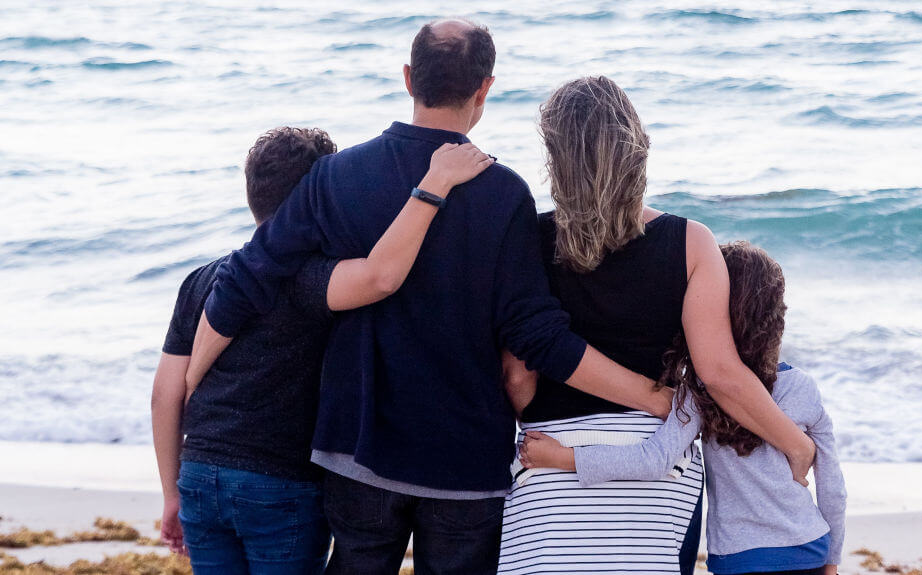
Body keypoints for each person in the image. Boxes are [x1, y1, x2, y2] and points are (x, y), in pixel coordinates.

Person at [183, 19, 674, 575]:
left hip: (356, 450)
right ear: (485, 87)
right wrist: (650, 395)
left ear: (409, 77)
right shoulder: (504, 193)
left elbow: (249, 274)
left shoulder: (336, 176)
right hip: (463, 461)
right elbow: (537, 337)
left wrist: (193, 374)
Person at [496, 77, 817, 575]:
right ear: (636, 149)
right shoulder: (690, 241)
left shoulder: (528, 240)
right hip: (659, 466)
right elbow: (719, 374)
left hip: (551, 463)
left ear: (555, 157)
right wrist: (796, 445)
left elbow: (518, 379)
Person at [151, 126, 493, 574]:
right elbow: (379, 276)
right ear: (320, 196)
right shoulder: (309, 280)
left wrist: (171, 493)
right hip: (280, 483)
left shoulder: (202, 280)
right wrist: (433, 186)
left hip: (199, 475)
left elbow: (164, 394)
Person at [521, 242, 847, 575]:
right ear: (776, 314)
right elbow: (832, 488)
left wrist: (563, 457)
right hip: (810, 547)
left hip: (739, 558)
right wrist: (832, 563)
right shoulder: (804, 387)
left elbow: (653, 460)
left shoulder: (700, 390)